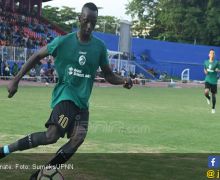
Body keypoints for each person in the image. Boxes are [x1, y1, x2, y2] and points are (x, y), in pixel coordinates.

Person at [0, 2, 133, 180]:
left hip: (82, 102)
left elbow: (108, 75)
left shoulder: (99, 47)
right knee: (52, 136)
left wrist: (123, 80)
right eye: (86, 21)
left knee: (78, 138)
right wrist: (15, 80)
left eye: (93, 22)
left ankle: (41, 174)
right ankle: (5, 150)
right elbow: (37, 55)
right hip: (66, 96)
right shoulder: (63, 42)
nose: (89, 26)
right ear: (79, 19)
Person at [204, 49, 219, 114]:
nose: (212, 54)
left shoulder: (217, 62)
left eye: (213, 53)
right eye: (211, 53)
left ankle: (213, 108)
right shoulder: (205, 62)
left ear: (214, 55)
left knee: (214, 95)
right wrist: (205, 72)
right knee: (206, 92)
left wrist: (217, 70)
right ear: (209, 54)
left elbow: (219, 70)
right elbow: (204, 69)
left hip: (214, 80)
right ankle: (208, 97)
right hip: (207, 79)